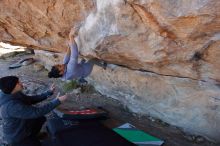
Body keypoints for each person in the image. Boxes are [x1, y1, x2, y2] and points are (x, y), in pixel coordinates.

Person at [0, 76, 69, 146]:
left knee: (40, 119)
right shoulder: (11, 107)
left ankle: (34, 134)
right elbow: (37, 112)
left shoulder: (12, 92)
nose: (21, 83)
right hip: (18, 136)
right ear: (12, 86)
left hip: (23, 124)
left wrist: (48, 93)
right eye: (18, 82)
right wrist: (57, 101)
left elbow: (29, 99)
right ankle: (31, 138)